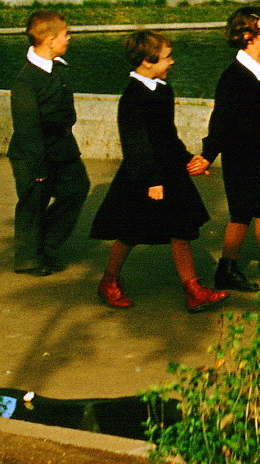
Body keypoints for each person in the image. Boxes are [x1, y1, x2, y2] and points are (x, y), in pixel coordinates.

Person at [91, 31, 229, 313]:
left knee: (181, 229)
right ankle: (109, 281)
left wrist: (189, 159)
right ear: (147, 61)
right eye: (167, 57)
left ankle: (193, 290)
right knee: (130, 231)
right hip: (143, 176)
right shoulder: (131, 98)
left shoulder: (163, 90)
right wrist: (153, 180)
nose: (172, 62)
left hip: (169, 172)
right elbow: (136, 144)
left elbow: (168, 136)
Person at [202, 5, 260, 292]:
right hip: (243, 158)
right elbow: (221, 120)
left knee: (242, 215)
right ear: (249, 36)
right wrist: (207, 155)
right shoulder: (233, 77)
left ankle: (226, 269)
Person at [7, 10, 91, 276]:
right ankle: (28, 257)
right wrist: (39, 169)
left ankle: (47, 244)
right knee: (33, 201)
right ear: (51, 40)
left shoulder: (59, 68)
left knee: (77, 188)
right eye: (66, 34)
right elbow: (27, 129)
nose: (70, 38)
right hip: (32, 153)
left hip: (62, 147)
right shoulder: (26, 81)